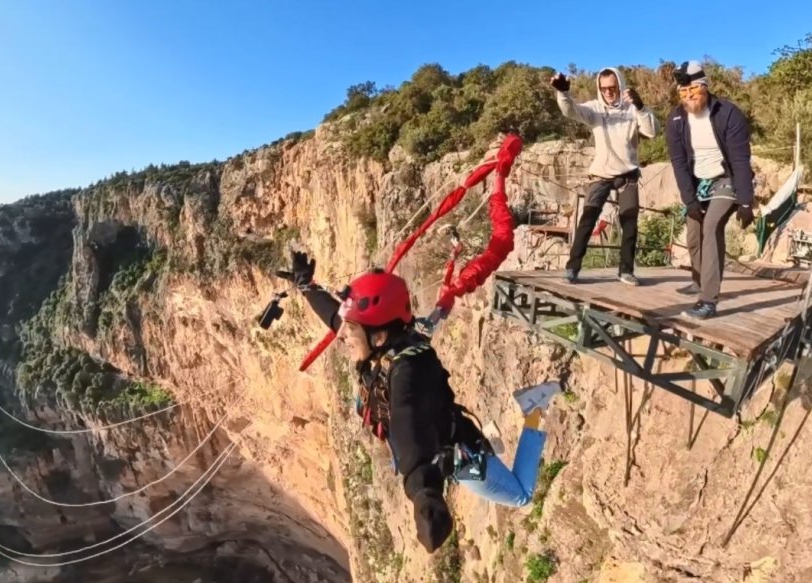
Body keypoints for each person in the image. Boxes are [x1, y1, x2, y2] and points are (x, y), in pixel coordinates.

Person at [281, 250, 561, 553]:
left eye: (351, 331)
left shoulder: (409, 369)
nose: (342, 336)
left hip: (459, 457)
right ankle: (527, 410)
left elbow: (406, 421)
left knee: (521, 495)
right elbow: (336, 318)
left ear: (378, 337)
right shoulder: (382, 348)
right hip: (444, 441)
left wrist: (424, 492)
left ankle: (534, 409)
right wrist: (307, 286)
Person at [549, 67, 659, 285]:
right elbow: (571, 111)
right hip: (601, 174)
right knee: (588, 218)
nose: (608, 92)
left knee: (629, 221)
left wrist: (641, 106)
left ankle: (626, 270)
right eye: (604, 88)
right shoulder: (595, 110)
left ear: (620, 85)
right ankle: (572, 268)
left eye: (613, 88)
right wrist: (563, 93)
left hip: (628, 174)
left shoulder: (632, 109)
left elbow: (652, 131)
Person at [665, 60, 755, 320]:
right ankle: (699, 280)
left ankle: (708, 300)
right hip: (697, 182)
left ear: (704, 87)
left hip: (726, 178)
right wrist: (689, 200)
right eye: (683, 93)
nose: (689, 96)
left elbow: (740, 160)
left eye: (693, 90)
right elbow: (679, 163)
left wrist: (746, 202)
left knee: (712, 226)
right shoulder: (676, 120)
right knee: (694, 236)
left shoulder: (727, 113)